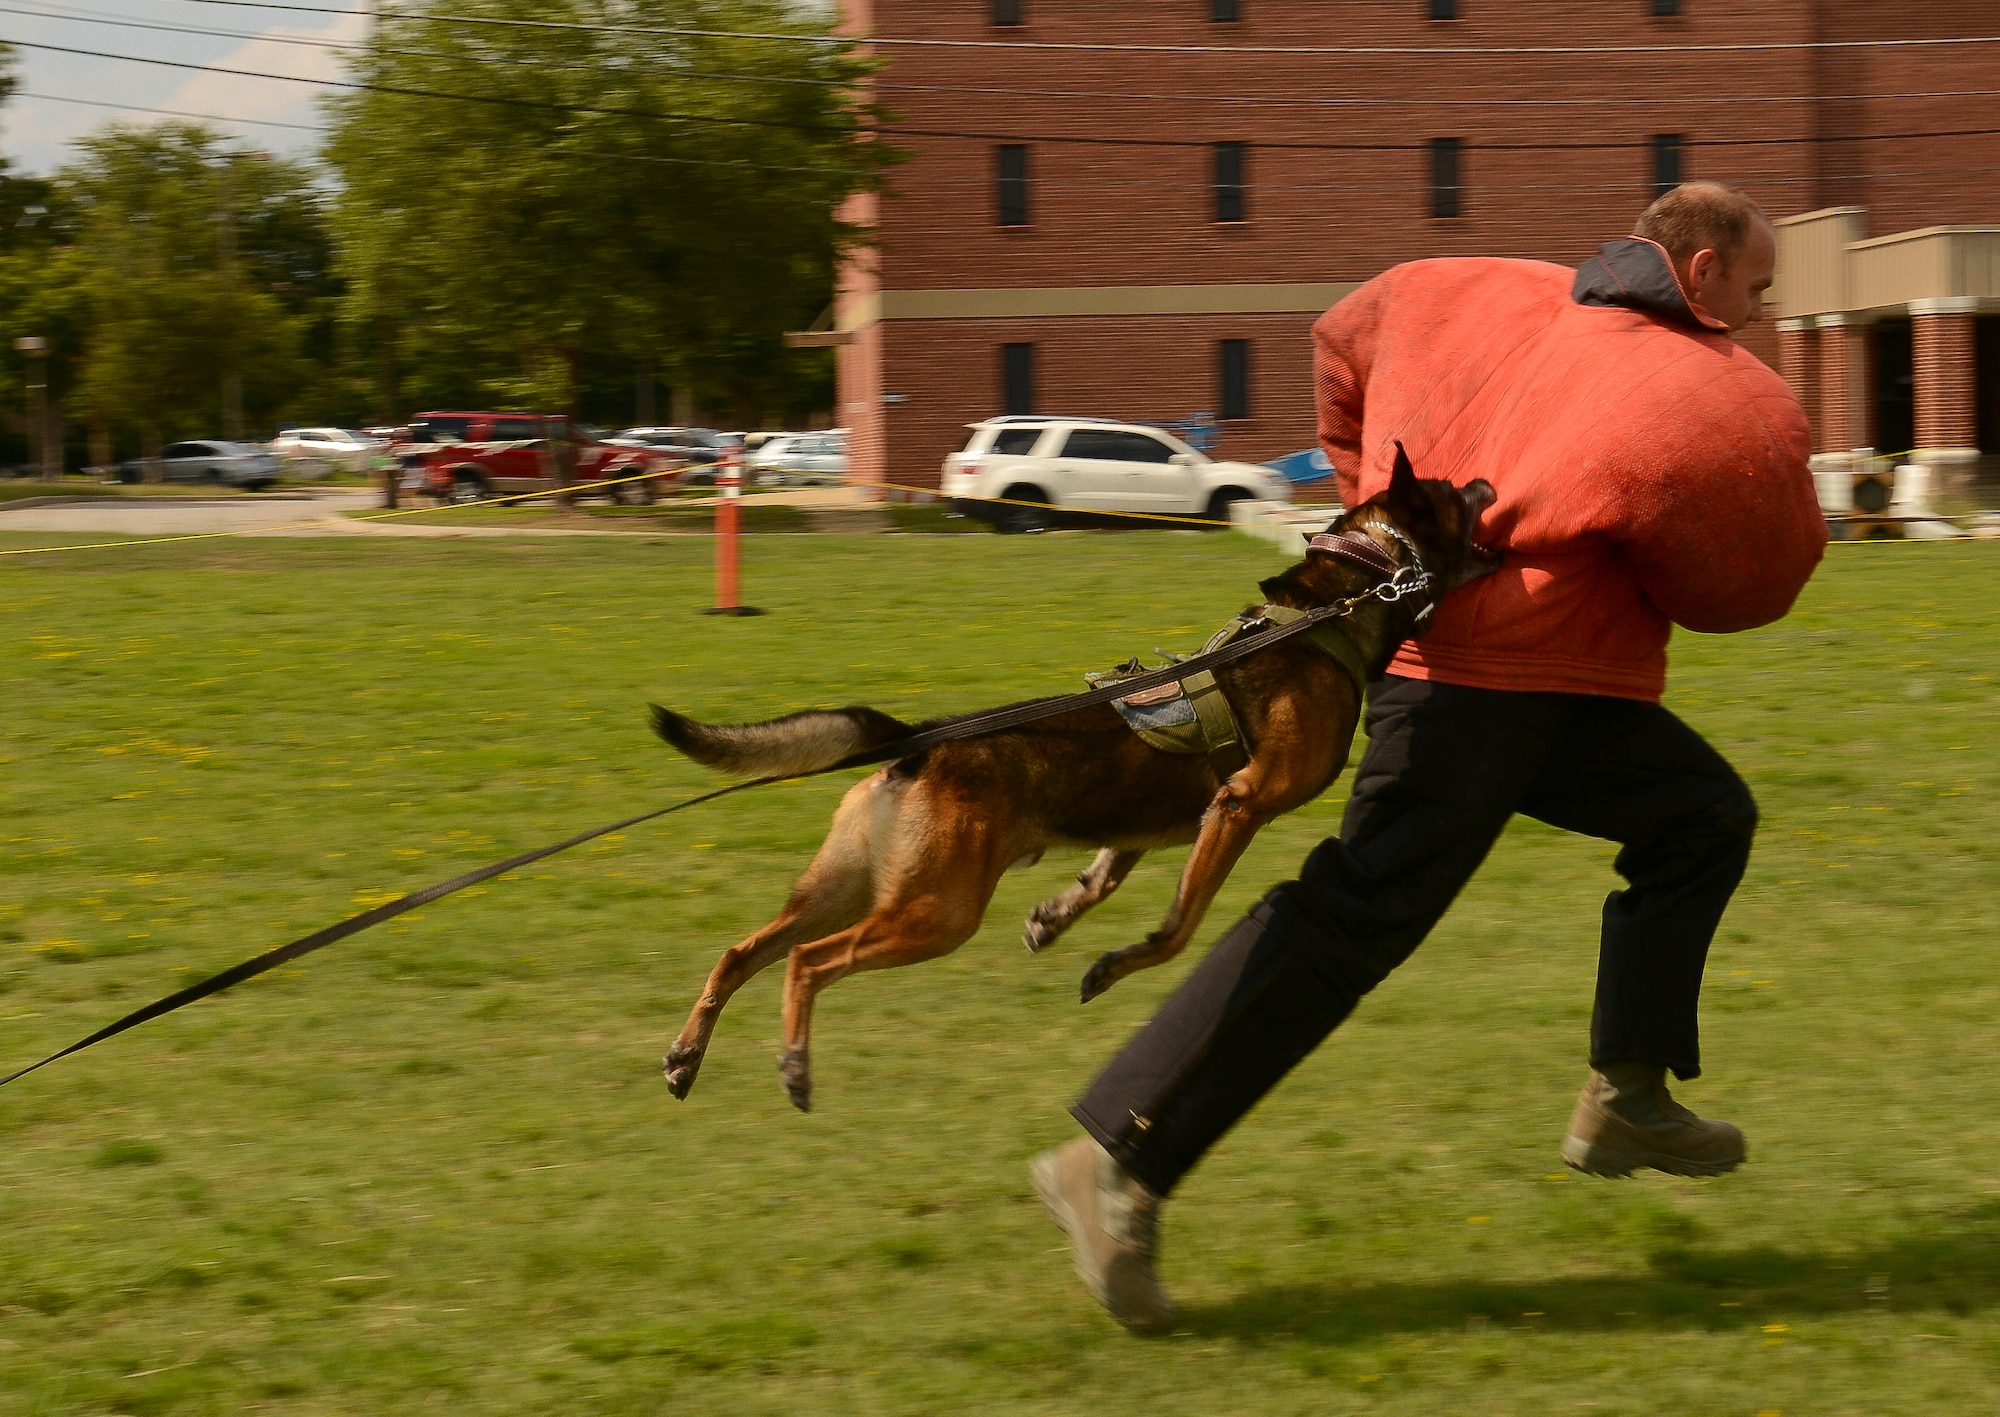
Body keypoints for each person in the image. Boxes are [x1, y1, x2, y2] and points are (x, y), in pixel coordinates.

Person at [1031, 182, 1829, 1334]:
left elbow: (1347, 335)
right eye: (1754, 288)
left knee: (1698, 816)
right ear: (1697, 272)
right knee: (1355, 914)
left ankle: (1627, 1091)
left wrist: (1372, 513)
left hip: (1555, 682)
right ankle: (1112, 1164)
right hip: (1471, 688)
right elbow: (1747, 580)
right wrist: (1392, 552)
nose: (1757, 314)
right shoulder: (1686, 383)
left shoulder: (1476, 297)